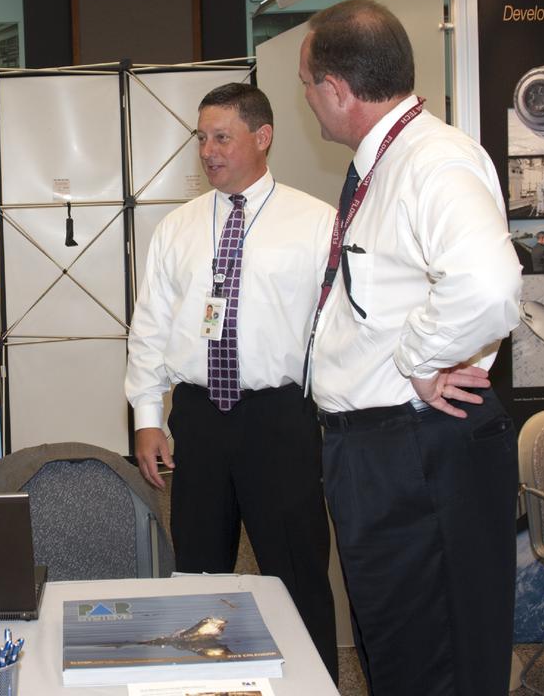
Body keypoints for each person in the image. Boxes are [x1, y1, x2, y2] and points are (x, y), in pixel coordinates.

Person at [299, 0, 521, 696]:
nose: (308, 100)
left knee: (438, 659)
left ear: (336, 89)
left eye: (307, 84)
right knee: (398, 650)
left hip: (417, 451)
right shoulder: (387, 162)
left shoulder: (433, 159)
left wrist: (423, 360)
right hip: (383, 454)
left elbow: (488, 283)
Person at [126, 83, 338, 681]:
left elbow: (339, 332)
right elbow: (149, 328)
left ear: (262, 137)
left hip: (281, 420)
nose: (209, 151)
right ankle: (205, 685)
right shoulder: (178, 228)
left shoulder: (316, 223)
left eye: (222, 137)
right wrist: (146, 417)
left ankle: (312, 685)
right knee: (198, 576)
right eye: (202, 138)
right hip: (198, 418)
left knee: (296, 574)